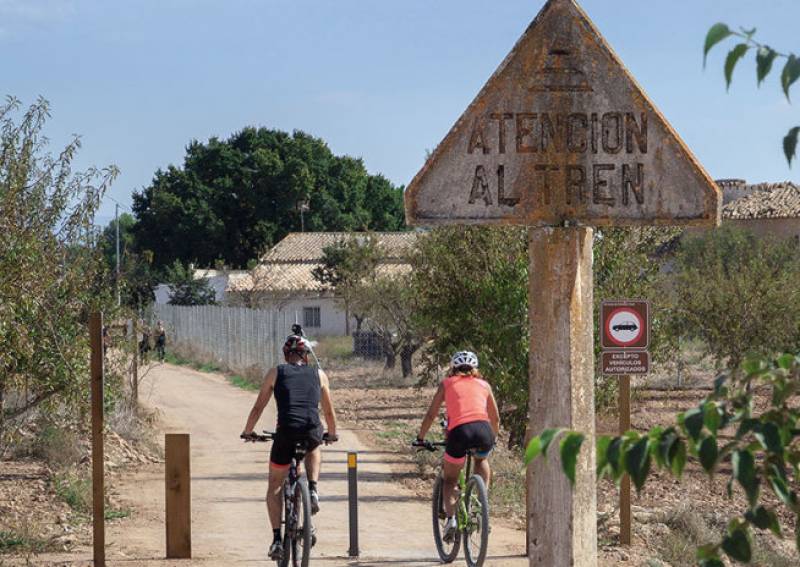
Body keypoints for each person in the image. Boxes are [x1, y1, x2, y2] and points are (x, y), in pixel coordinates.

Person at [241, 334, 338, 561]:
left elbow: (258, 408)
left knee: (275, 484)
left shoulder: (276, 373)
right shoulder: (319, 374)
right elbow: (329, 412)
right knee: (315, 444)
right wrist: (332, 434)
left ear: (286, 355)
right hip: (310, 430)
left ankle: (276, 539)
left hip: (285, 433)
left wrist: (248, 432)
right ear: (306, 356)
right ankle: (312, 489)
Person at [416, 351, 500, 543]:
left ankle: (451, 520)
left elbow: (431, 414)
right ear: (475, 369)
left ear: (452, 368)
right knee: (481, 459)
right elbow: (495, 418)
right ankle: (481, 505)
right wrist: (492, 438)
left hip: (460, 432)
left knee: (450, 479)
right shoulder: (484, 385)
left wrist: (420, 437)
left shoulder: (447, 384)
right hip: (483, 430)